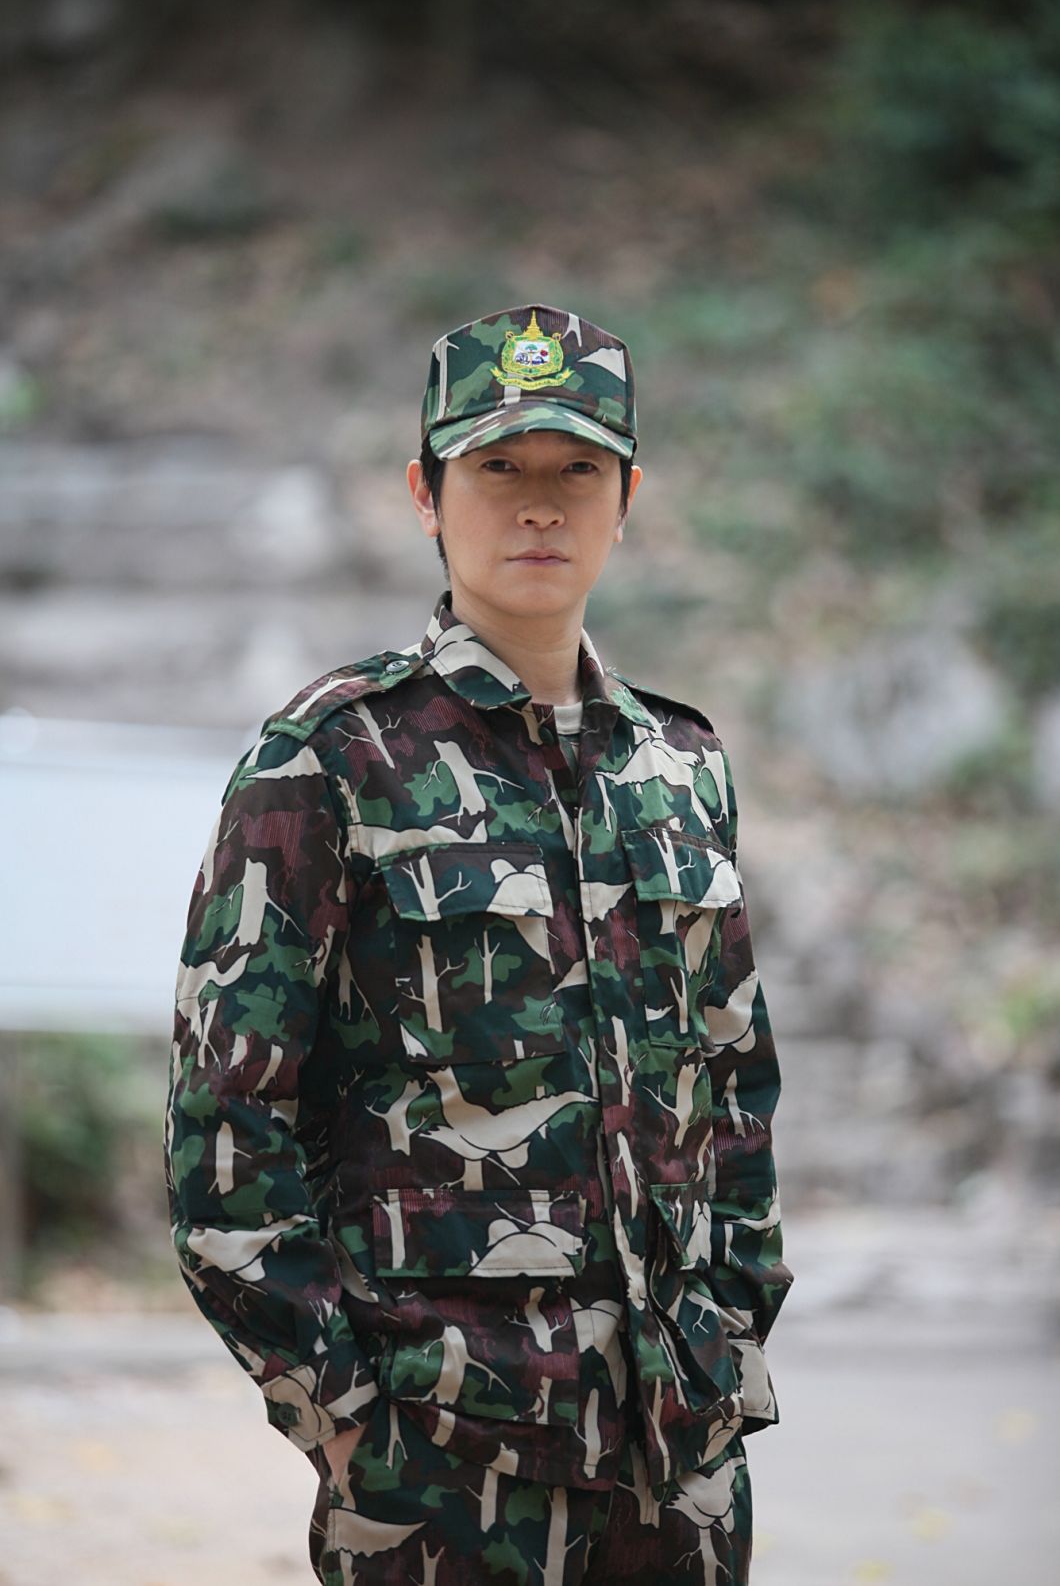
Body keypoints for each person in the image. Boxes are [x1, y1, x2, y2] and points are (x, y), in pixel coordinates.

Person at [164, 302, 793, 1585]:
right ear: (425, 495)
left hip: (677, 1454)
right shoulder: (332, 756)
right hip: (441, 1464)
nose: (540, 505)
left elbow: (735, 1088)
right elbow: (226, 1122)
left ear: (629, 500)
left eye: (579, 471)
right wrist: (346, 1418)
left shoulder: (680, 765)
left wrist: (730, 1331)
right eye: (497, 467)